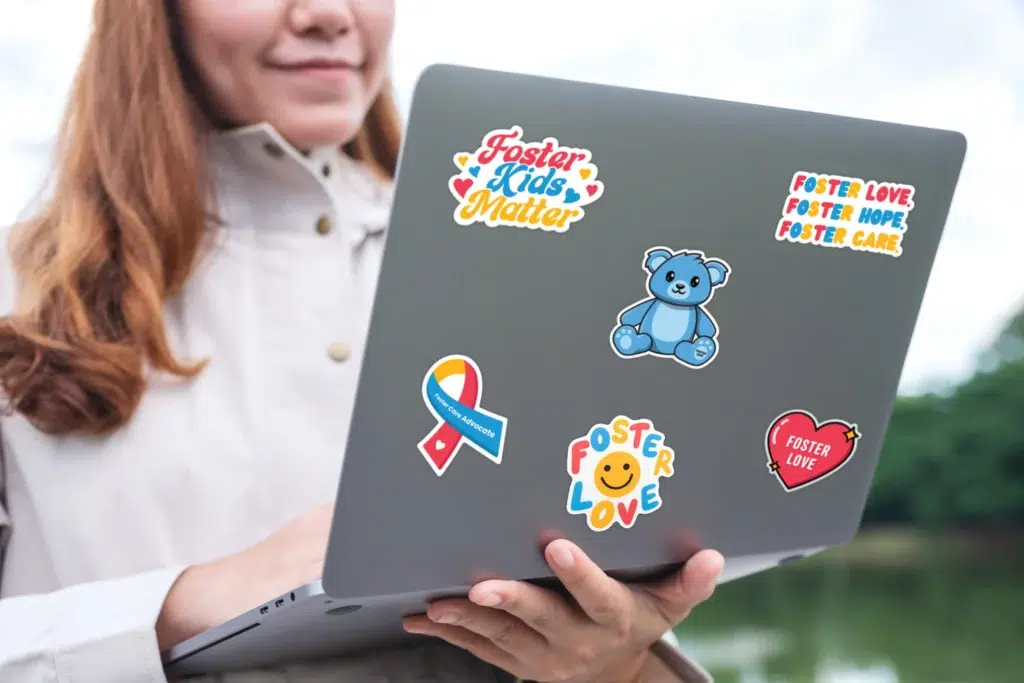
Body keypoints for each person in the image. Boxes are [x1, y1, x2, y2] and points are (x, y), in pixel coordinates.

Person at [0, 1, 725, 681]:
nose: (330, 14)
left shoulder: (529, 279)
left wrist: (614, 661)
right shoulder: (14, 290)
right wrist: (181, 603)